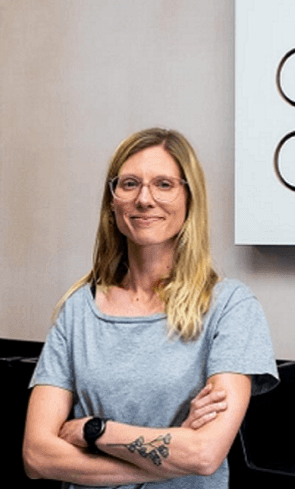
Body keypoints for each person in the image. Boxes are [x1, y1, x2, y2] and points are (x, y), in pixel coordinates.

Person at [22, 127, 279, 488]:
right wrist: (167, 458)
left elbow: (204, 453)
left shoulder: (230, 307)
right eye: (129, 184)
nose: (144, 199)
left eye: (164, 184)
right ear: (112, 202)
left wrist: (95, 430)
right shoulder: (78, 308)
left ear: (189, 198)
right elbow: (37, 456)